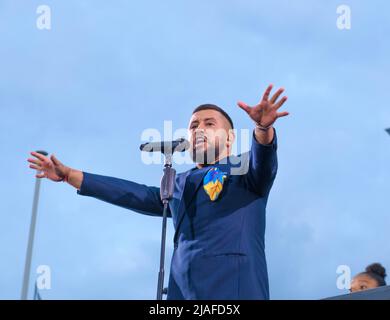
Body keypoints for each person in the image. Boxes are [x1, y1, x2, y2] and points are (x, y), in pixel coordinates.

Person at [27, 84, 289, 299]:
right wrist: (71, 175)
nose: (199, 129)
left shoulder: (244, 169)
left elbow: (263, 160)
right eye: (194, 125)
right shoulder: (177, 183)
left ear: (230, 138)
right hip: (181, 292)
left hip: (233, 288)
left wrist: (263, 129)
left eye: (210, 124)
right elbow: (132, 194)